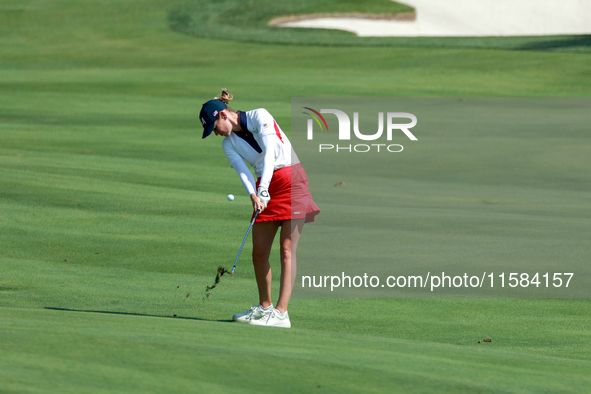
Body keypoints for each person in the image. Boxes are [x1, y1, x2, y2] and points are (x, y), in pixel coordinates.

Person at [199, 89, 320, 328]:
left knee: (287, 249)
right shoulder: (228, 143)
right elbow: (243, 171)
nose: (214, 132)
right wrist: (254, 194)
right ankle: (265, 308)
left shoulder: (259, 116)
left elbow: (270, 155)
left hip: (291, 180)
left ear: (223, 114)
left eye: (214, 126)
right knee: (259, 252)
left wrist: (262, 188)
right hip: (264, 188)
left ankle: (281, 313)